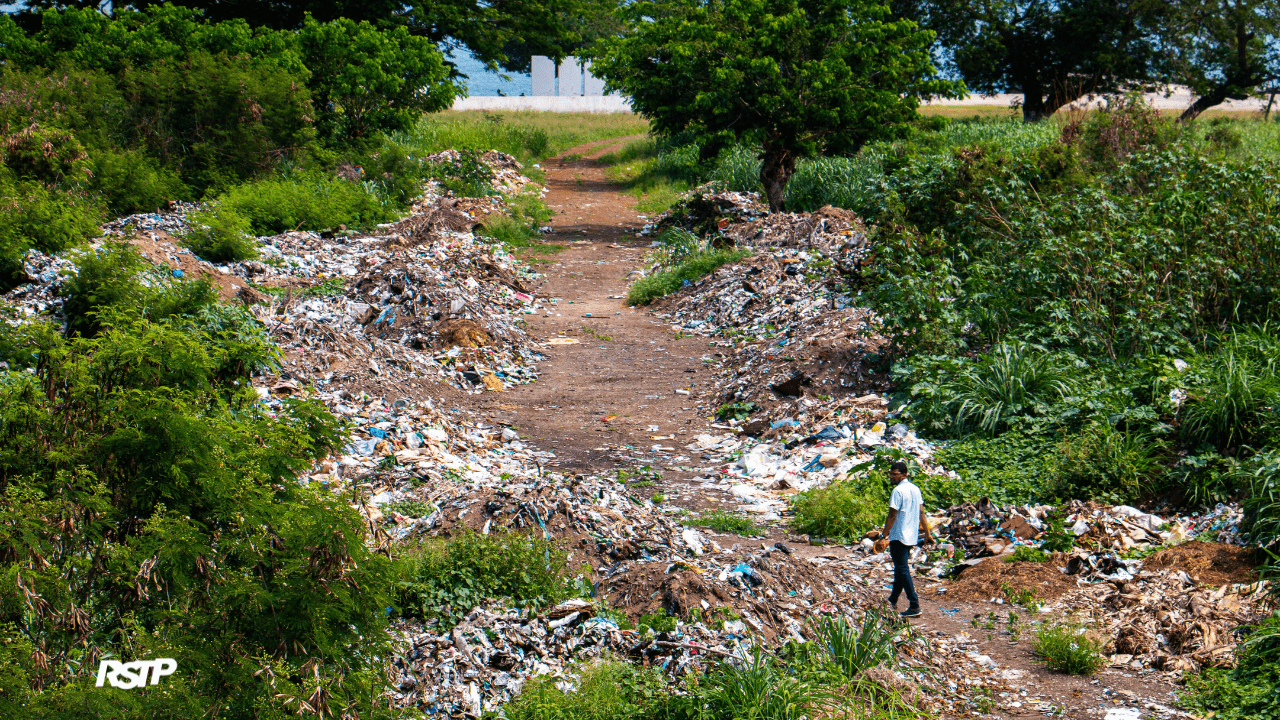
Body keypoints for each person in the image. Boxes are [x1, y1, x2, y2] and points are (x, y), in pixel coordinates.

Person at [880, 461, 932, 618]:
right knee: (899, 568)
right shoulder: (915, 489)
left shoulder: (898, 491)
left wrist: (884, 535)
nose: (891, 477)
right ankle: (893, 599)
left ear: (904, 474)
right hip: (911, 536)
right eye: (890, 474)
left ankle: (914, 605)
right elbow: (922, 513)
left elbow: (892, 515)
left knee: (902, 569)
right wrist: (928, 533)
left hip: (899, 535)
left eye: (894, 474)